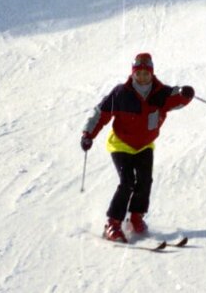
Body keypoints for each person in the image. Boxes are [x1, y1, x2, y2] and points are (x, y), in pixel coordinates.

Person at [81, 52, 194, 242]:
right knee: (127, 182)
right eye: (138, 73)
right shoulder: (121, 93)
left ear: (152, 73)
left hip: (144, 145)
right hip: (121, 144)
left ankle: (135, 217)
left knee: (144, 181)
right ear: (133, 74)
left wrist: (186, 94)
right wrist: (88, 134)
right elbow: (101, 114)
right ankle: (113, 224)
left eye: (146, 73)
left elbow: (178, 96)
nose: (142, 77)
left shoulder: (161, 93)